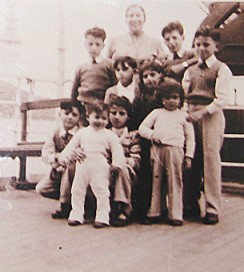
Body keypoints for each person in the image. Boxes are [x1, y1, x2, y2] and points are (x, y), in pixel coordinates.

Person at [182, 26, 233, 225]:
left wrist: (202, 113)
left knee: (210, 161)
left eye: (206, 44)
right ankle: (190, 204)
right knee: (190, 159)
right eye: (198, 45)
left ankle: (212, 208)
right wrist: (187, 112)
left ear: (216, 46)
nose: (202, 49)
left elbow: (222, 99)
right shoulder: (190, 70)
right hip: (191, 115)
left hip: (210, 115)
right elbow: (184, 92)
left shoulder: (221, 69)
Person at [57, 103, 126, 228]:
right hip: (83, 164)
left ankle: (102, 216)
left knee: (101, 191)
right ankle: (76, 214)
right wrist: (64, 158)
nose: (100, 121)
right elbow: (71, 147)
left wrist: (117, 163)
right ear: (88, 117)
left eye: (104, 118)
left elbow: (117, 150)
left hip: (100, 165)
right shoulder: (82, 133)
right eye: (97, 117)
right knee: (77, 189)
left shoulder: (109, 135)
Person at [139, 79, 195, 226]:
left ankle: (175, 214)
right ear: (161, 99)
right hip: (158, 150)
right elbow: (142, 128)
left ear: (180, 99)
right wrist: (152, 135)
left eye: (175, 97)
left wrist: (189, 156)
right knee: (157, 180)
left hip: (175, 151)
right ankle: (155, 211)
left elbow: (190, 138)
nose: (171, 101)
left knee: (175, 181)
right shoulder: (156, 113)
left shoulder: (184, 115)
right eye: (167, 97)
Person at [130, 60, 165, 220]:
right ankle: (141, 209)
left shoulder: (164, 97)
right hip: (144, 141)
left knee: (160, 174)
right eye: (146, 76)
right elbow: (134, 119)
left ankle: (159, 208)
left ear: (160, 75)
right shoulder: (140, 99)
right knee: (145, 173)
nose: (149, 79)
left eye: (153, 74)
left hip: (160, 140)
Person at [35, 100, 83, 219]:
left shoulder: (82, 132)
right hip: (58, 170)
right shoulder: (55, 133)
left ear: (80, 117)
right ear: (60, 114)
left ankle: (65, 205)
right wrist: (56, 157)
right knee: (41, 188)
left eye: (74, 115)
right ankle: (69, 199)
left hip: (78, 172)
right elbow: (45, 154)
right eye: (66, 113)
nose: (70, 117)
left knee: (69, 168)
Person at [71, 26, 117, 124]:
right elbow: (74, 90)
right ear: (85, 45)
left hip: (101, 108)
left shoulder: (109, 64)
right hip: (83, 108)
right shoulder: (81, 67)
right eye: (90, 44)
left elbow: (115, 86)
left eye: (97, 44)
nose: (93, 47)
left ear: (103, 46)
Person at [108, 96, 141, 226]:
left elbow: (137, 160)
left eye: (122, 114)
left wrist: (122, 161)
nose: (117, 117)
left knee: (122, 169)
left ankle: (124, 208)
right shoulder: (104, 133)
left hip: (127, 173)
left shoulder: (132, 137)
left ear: (128, 117)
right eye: (113, 113)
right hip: (108, 169)